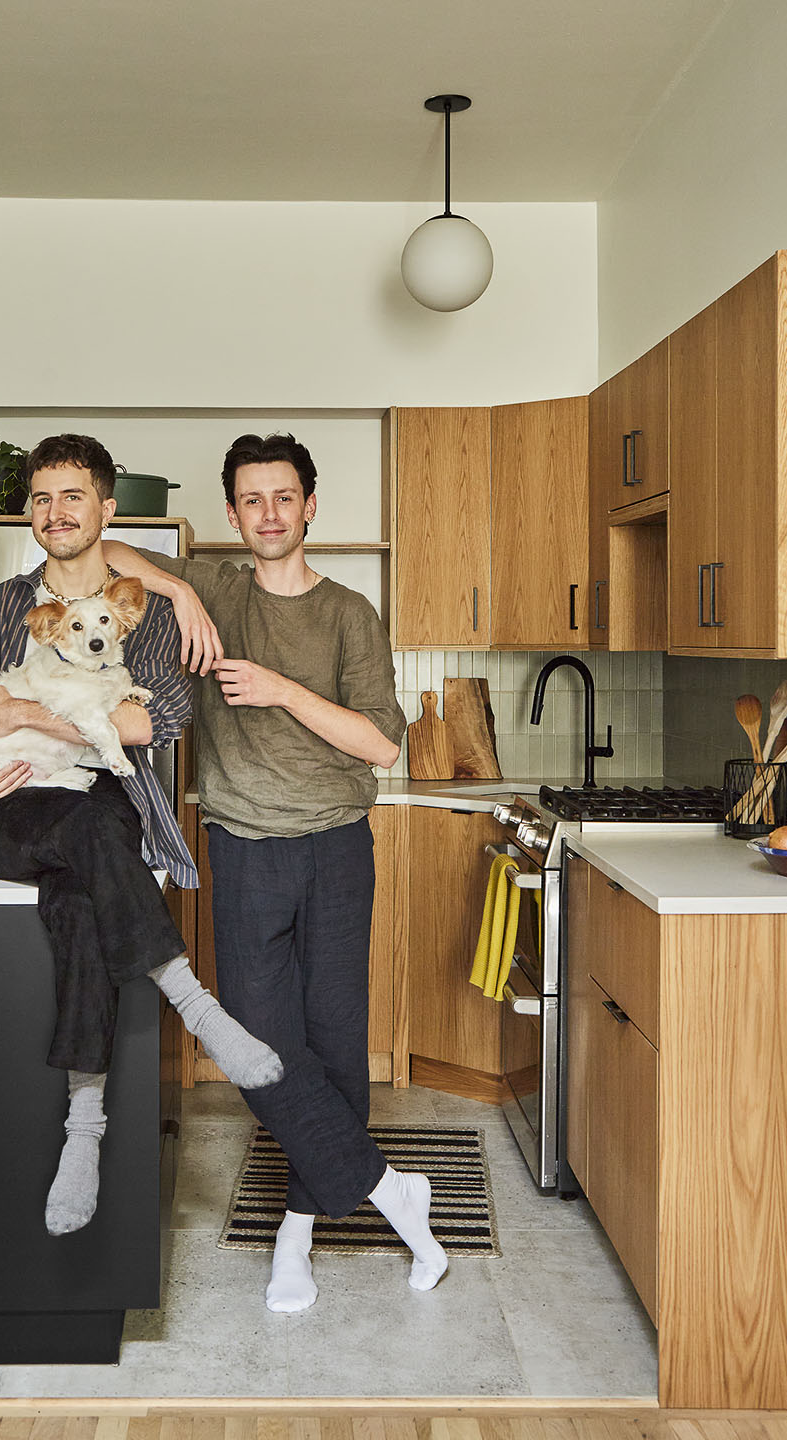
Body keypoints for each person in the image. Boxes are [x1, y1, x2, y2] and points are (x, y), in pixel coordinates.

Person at [0, 433, 282, 1237]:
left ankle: (85, 1128)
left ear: (108, 509)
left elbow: (156, 722)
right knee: (85, 835)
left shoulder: (147, 611)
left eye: (73, 496)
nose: (55, 512)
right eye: (41, 498)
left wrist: (35, 713)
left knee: (79, 890)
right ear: (29, 514)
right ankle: (197, 1007)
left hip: (96, 795)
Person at [103, 432, 448, 1312]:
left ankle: (296, 1229)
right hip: (244, 848)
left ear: (310, 506)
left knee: (333, 1044)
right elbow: (92, 544)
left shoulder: (349, 614)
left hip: (336, 846)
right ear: (231, 514)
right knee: (257, 1040)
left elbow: (381, 744)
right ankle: (388, 1189)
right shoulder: (211, 591)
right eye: (251, 500)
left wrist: (283, 689)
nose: (268, 514)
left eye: (284, 497)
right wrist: (178, 583)